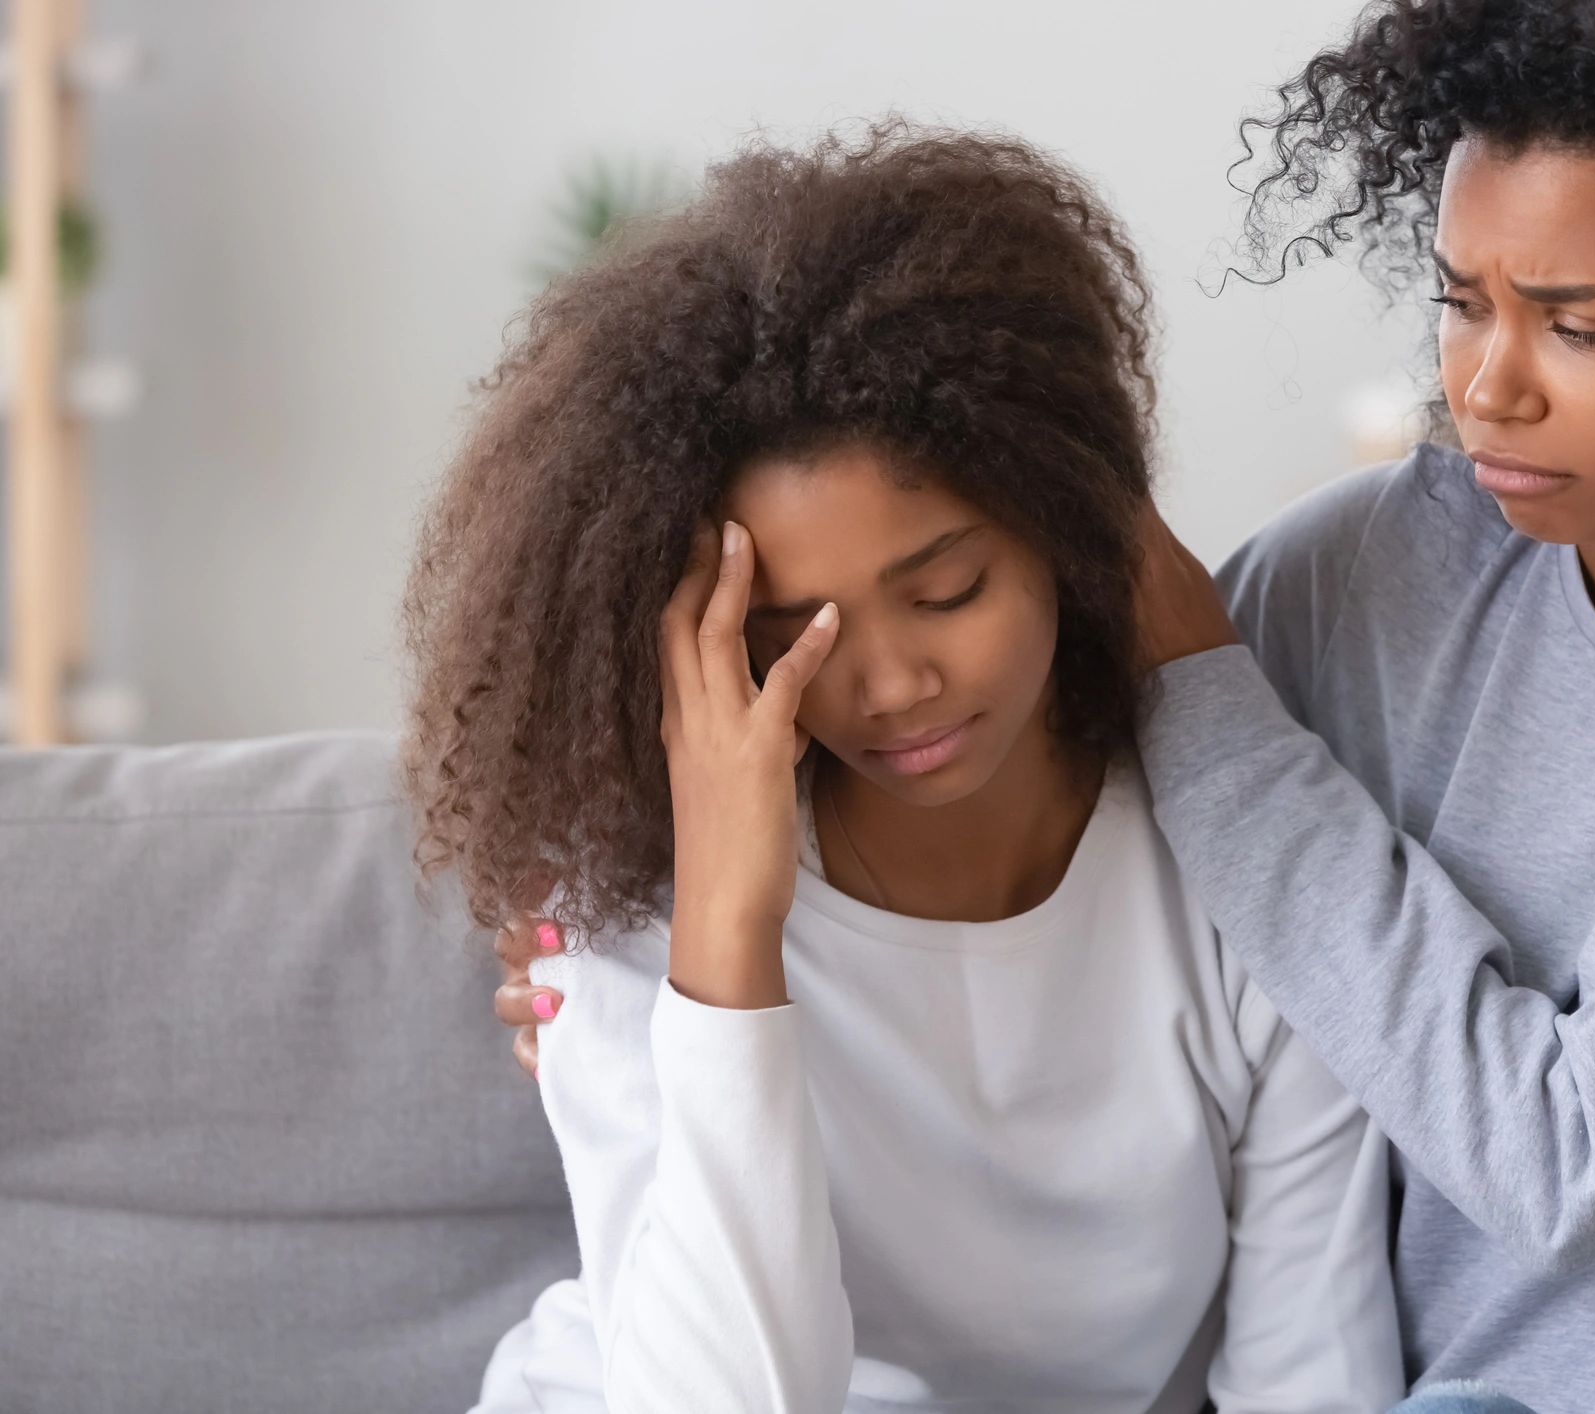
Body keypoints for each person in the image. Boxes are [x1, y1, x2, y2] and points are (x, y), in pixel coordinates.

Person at [493, 1, 1595, 1410]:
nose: (1486, 384)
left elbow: (1580, 1155)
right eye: (1461, 299)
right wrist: (658, 970)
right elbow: (1062, 735)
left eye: (1577, 324)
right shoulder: (1385, 561)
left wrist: (1189, 673)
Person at [403, 125, 1420, 1413]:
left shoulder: (1245, 871)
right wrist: (726, 934)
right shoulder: (626, 910)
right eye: (791, 640)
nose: (890, 686)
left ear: (1063, 523)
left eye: (947, 591)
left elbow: (1315, 1374)